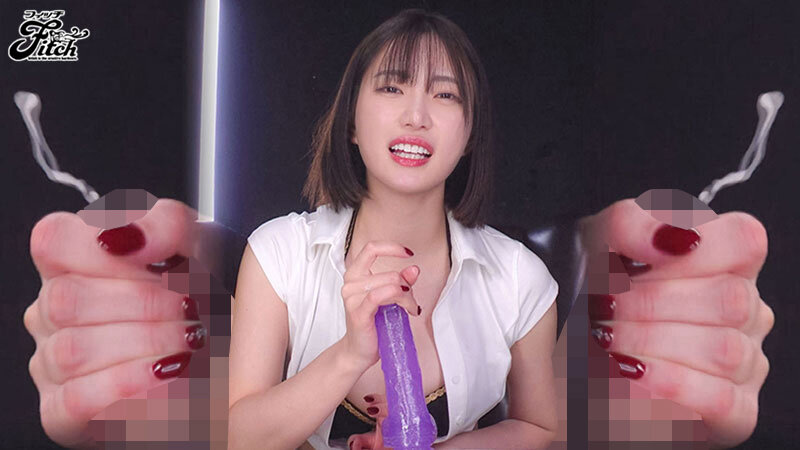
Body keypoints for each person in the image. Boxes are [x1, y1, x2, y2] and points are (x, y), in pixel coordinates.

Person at [23, 9, 773, 450]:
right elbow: (239, 433)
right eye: (391, 88)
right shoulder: (281, 253)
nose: (416, 115)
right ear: (352, 123)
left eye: (445, 96)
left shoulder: (519, 279)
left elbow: (540, 430)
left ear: (469, 135)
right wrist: (349, 353)